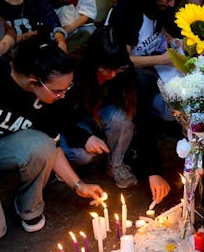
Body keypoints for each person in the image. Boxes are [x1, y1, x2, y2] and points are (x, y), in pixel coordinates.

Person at [0, 40, 105, 247]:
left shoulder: (49, 101)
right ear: (34, 81)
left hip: (1, 142)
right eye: (58, 91)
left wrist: (78, 185)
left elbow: (52, 147)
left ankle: (28, 207)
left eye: (67, 88)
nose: (63, 96)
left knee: (43, 145)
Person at [61, 28, 171, 202]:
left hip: (103, 116)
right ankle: (64, 168)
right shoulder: (74, 70)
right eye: (106, 69)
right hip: (73, 120)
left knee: (124, 118)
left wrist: (154, 172)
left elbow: (142, 117)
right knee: (82, 155)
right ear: (93, 61)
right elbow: (58, 117)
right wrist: (84, 138)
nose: (112, 75)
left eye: (116, 69)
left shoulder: (124, 70)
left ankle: (115, 165)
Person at [105, 0, 188, 121]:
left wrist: (173, 41)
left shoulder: (161, 6)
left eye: (175, 0)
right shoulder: (129, 9)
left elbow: (163, 31)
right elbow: (120, 60)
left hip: (148, 64)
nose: (171, 4)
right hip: (119, 73)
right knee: (157, 94)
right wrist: (162, 60)